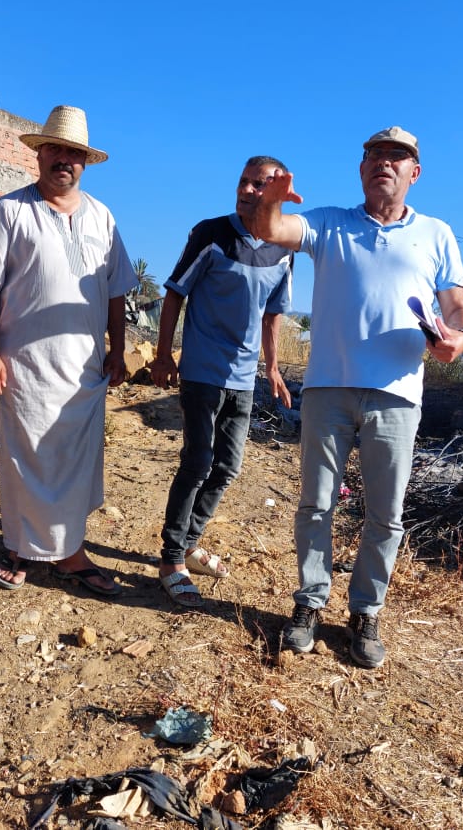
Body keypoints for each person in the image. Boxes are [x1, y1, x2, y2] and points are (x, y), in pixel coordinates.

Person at [251, 126, 463, 667]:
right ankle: (309, 603)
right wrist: (271, 201)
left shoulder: (437, 234)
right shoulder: (331, 223)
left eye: (397, 157)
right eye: (375, 155)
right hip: (328, 387)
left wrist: (462, 339)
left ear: (415, 172)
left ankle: (366, 612)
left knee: (385, 514)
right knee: (316, 504)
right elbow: (272, 228)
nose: (384, 163)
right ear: (361, 168)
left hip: (398, 395)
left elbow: (457, 308)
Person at [0, 105, 138, 596]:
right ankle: (21, 548)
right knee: (25, 458)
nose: (64, 159)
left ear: (85, 162)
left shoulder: (103, 217)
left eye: (74, 153)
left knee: (74, 461)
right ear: (39, 154)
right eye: (56, 149)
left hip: (84, 366)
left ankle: (69, 553)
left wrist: (118, 348)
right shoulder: (10, 210)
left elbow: (116, 290)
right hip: (24, 364)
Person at [149, 156, 294, 607]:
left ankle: (189, 542)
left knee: (228, 467)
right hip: (202, 371)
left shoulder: (284, 248)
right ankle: (171, 559)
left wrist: (272, 367)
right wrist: (163, 354)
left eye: (259, 185)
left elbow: (273, 313)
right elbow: (175, 292)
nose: (247, 190)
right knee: (197, 462)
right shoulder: (210, 234)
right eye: (244, 182)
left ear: (278, 193)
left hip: (244, 377)